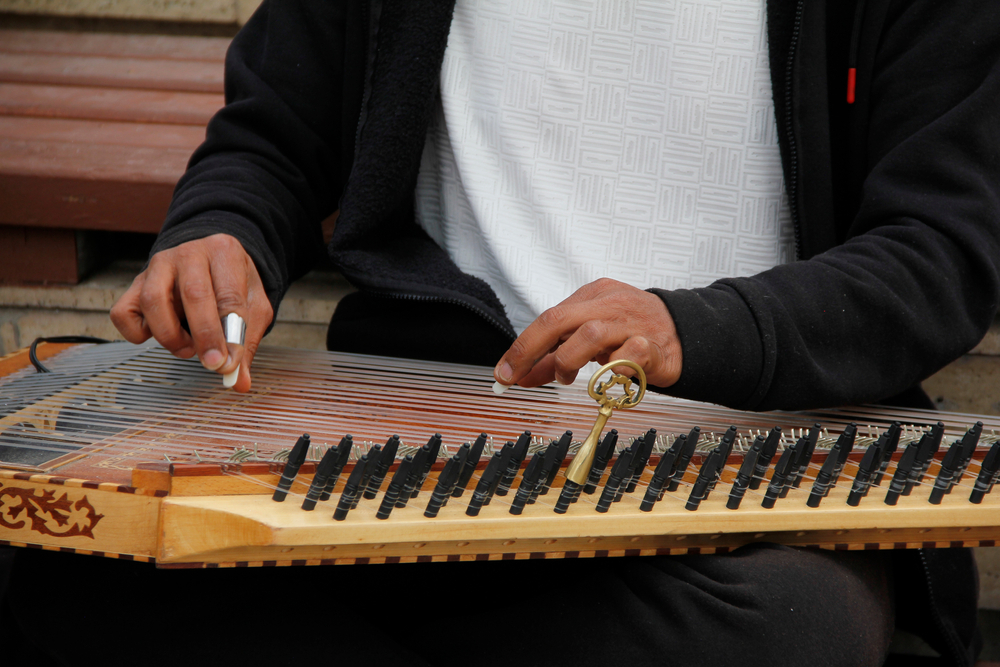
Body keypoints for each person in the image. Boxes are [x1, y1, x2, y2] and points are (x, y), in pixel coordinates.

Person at [4, 0, 998, 665]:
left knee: (784, 630)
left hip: (749, 448)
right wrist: (220, 233)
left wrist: (698, 328)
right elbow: (272, 138)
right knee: (69, 576)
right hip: (420, 442)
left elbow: (943, 250)